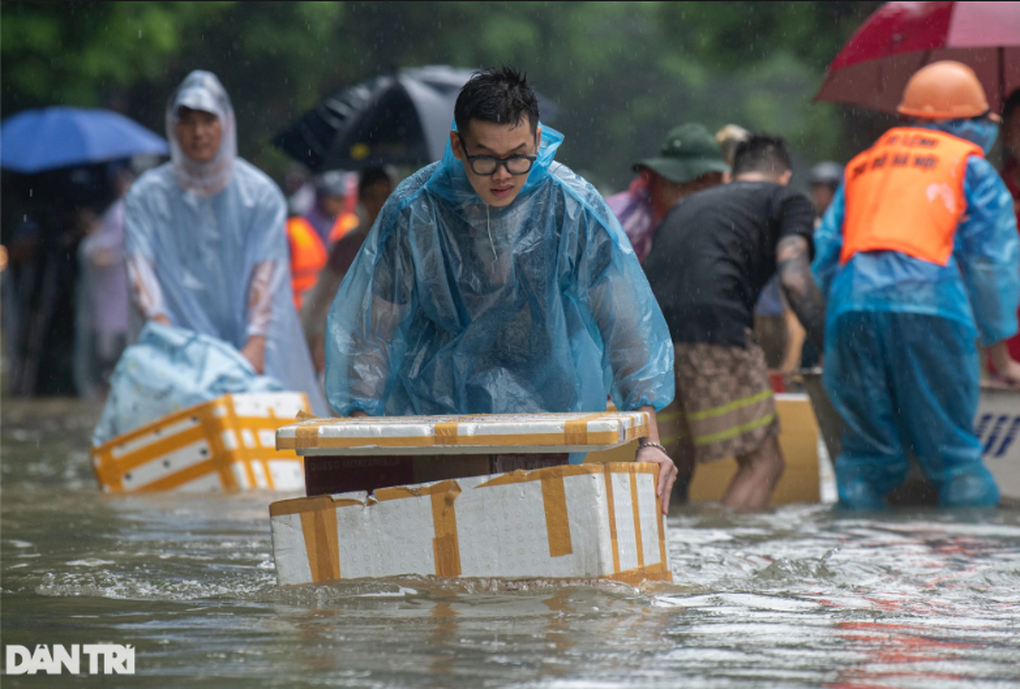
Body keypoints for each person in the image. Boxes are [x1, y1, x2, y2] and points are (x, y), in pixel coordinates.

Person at [324, 67, 678, 511]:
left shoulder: (571, 205)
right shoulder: (416, 209)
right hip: (435, 416)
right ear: (457, 145)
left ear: (537, 139)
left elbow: (625, 328)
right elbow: (374, 329)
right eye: (485, 158)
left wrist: (651, 441)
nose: (503, 174)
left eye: (518, 156)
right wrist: (359, 427)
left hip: (548, 416)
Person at [812, 61, 1020, 510]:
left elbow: (826, 256)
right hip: (931, 309)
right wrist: (1000, 354)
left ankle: (852, 563)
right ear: (963, 120)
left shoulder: (863, 165)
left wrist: (834, 335)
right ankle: (974, 568)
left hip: (852, 308)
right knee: (955, 458)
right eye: (984, 121)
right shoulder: (970, 167)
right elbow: (991, 264)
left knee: (866, 462)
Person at [124, 70, 327, 414]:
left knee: (267, 442)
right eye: (187, 121)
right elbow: (140, 271)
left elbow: (267, 275)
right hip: (175, 346)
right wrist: (164, 337)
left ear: (226, 124)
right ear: (173, 127)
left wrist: (256, 342)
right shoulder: (146, 196)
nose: (198, 132)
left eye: (208, 120)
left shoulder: (259, 195)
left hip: (249, 341)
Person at [644, 134, 825, 509]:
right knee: (765, 463)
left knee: (672, 467)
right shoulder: (787, 200)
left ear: (732, 173)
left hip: (653, 339)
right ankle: (725, 563)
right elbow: (794, 277)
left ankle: (667, 559)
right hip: (715, 326)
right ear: (785, 174)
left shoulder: (687, 204)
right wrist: (830, 347)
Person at [303, 166, 394, 373]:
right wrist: (317, 337)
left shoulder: (405, 241)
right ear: (362, 199)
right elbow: (323, 297)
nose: (379, 203)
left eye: (384, 195)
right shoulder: (349, 247)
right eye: (372, 196)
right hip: (351, 347)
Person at [606, 123, 730, 263]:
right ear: (659, 178)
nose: (694, 195)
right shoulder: (624, 222)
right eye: (691, 184)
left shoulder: (718, 226)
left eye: (709, 183)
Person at [74, 162, 133, 397]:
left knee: (110, 347)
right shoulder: (119, 209)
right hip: (110, 292)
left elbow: (105, 253)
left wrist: (95, 243)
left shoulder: (124, 210)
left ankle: (109, 386)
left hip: (118, 291)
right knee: (109, 344)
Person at [305, 170, 359, 247]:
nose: (341, 204)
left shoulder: (350, 224)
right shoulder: (304, 224)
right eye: (336, 199)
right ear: (322, 198)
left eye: (342, 200)